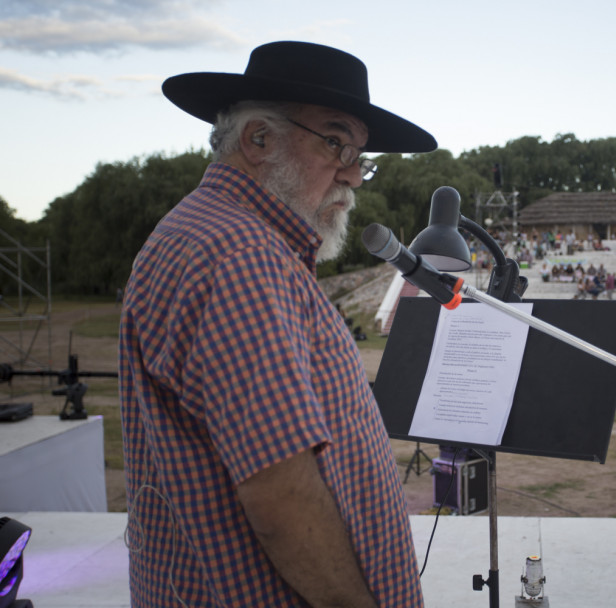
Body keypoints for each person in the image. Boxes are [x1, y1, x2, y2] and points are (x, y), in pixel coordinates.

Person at [118, 42, 435, 607]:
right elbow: (280, 500)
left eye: (361, 155)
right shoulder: (241, 255)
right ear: (258, 140)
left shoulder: (207, 232)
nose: (354, 177)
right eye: (336, 143)